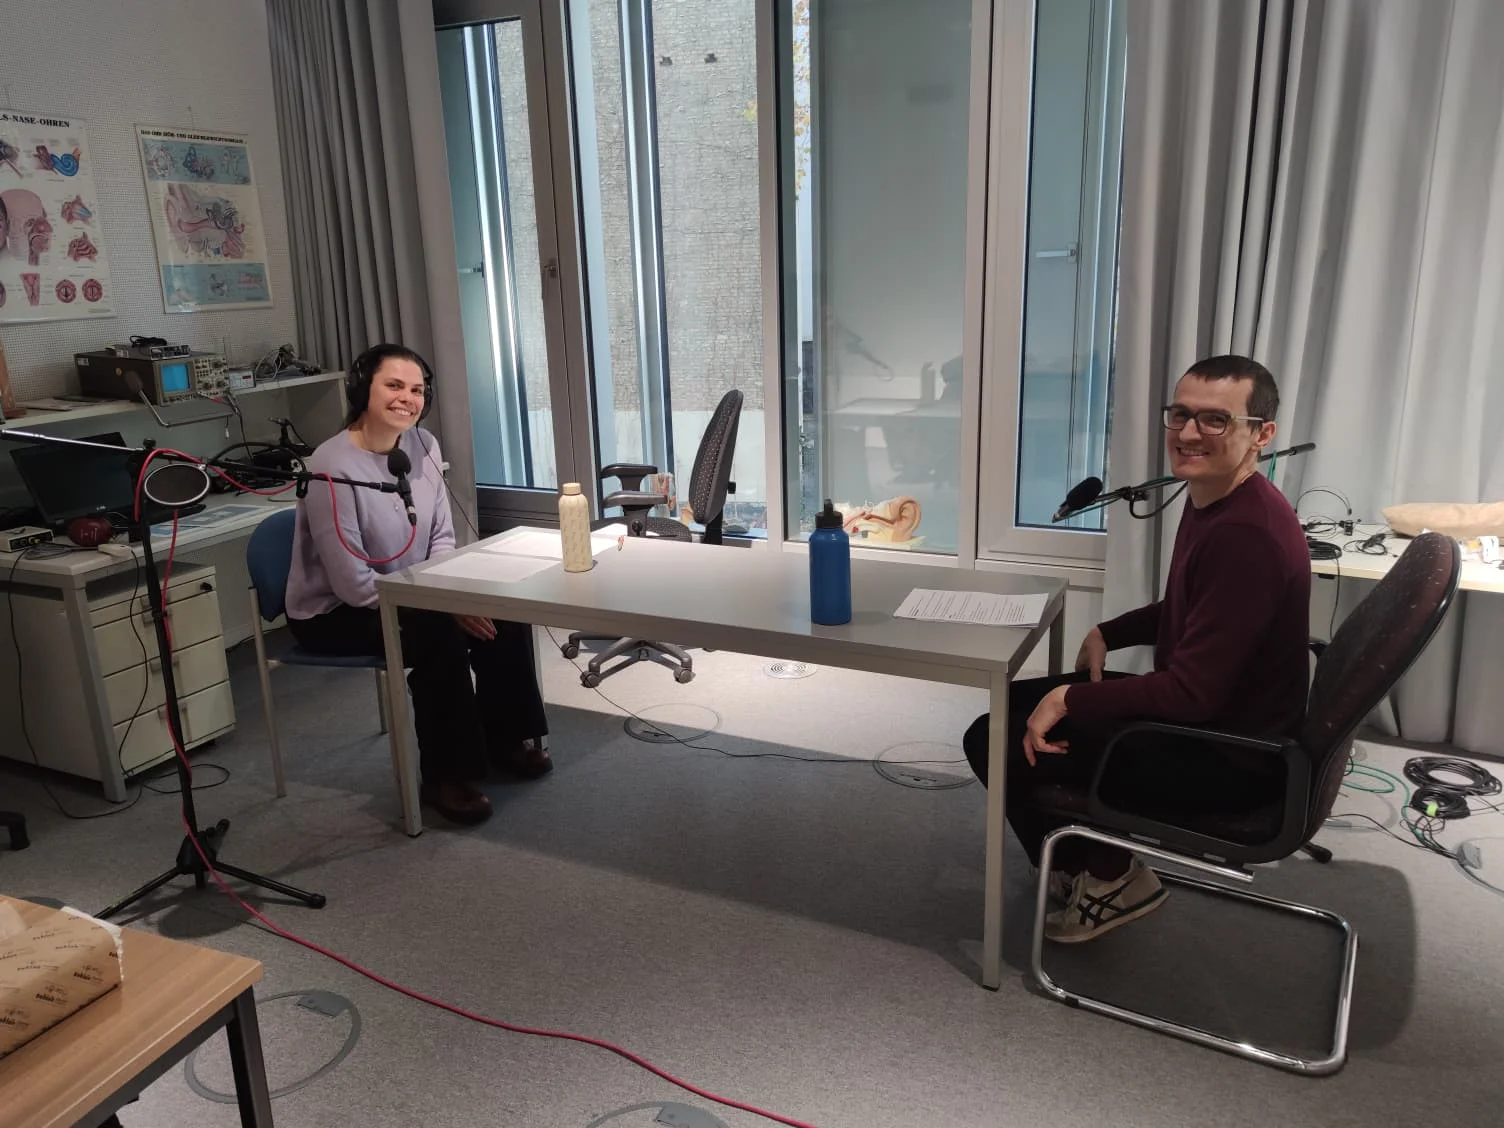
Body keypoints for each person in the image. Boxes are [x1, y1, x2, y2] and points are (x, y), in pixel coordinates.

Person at [963, 354, 1310, 942]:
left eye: (1216, 420)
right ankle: (1084, 865)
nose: (1190, 433)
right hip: (1210, 720)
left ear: (1261, 434)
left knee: (1003, 738)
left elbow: (1191, 694)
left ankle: (1110, 880)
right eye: (1181, 415)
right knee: (1001, 722)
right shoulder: (1218, 500)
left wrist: (1071, 700)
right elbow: (1188, 610)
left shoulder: (1246, 538)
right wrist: (1110, 632)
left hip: (1227, 753)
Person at [285, 343, 551, 826]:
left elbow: (442, 537)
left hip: (416, 594)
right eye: (394, 386)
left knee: (501, 610)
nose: (407, 399)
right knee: (440, 636)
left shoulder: (423, 446)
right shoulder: (330, 466)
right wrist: (441, 607)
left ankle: (505, 739)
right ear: (361, 388)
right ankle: (448, 776)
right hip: (336, 613)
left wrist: (450, 593)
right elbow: (352, 585)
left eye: (417, 390)